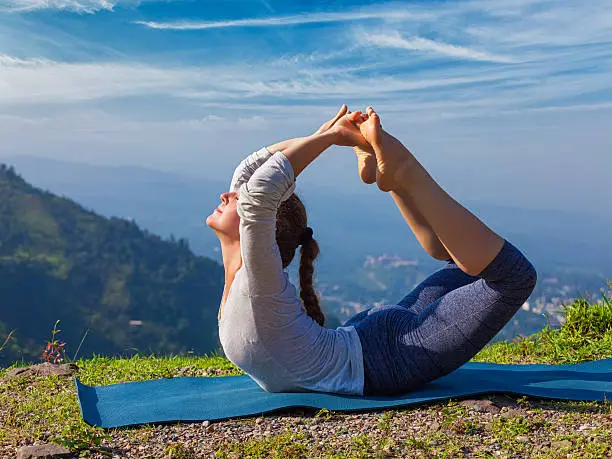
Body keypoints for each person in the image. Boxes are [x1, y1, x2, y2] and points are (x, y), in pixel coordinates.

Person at [205, 105, 537, 396]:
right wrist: (328, 137)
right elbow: (255, 185)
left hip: (383, 354)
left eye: (237, 196)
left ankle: (402, 172)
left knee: (508, 275)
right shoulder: (256, 278)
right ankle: (394, 178)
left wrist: (326, 137)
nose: (227, 194)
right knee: (483, 268)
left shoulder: (257, 277)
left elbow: (254, 182)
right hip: (377, 347)